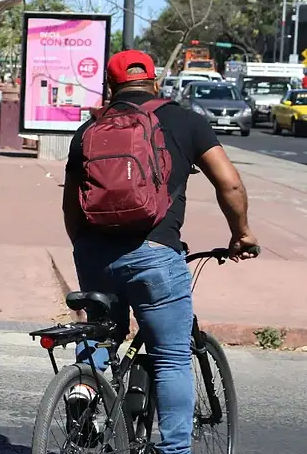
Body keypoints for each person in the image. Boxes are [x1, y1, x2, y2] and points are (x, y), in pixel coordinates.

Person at [61, 50, 259, 454]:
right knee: (169, 358)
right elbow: (230, 184)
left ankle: (83, 384)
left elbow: (70, 206)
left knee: (100, 336)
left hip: (94, 252)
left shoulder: (88, 131)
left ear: (111, 87)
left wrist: (86, 250)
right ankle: (174, 450)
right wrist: (241, 233)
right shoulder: (187, 121)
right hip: (155, 254)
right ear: (155, 82)